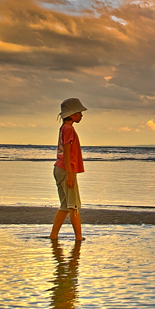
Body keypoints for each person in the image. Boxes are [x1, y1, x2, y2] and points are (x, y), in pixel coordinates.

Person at [50, 97, 86, 241]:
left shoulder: (64, 128)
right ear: (71, 115)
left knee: (65, 205)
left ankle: (53, 235)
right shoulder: (69, 129)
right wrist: (70, 174)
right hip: (66, 170)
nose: (81, 115)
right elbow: (66, 152)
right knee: (74, 206)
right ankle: (78, 238)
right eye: (79, 112)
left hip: (59, 169)